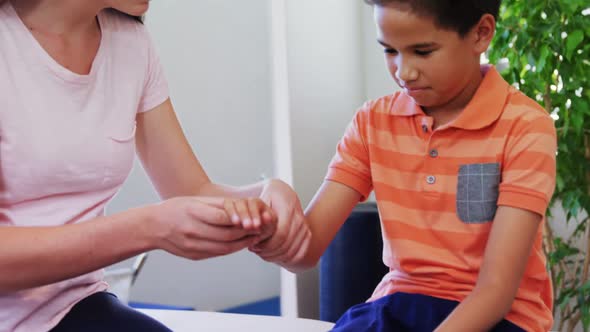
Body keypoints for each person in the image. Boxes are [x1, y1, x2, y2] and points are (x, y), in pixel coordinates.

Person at [0, 0, 311, 331]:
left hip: (71, 307)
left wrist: (264, 197)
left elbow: (193, 191)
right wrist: (147, 228)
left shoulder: (131, 43)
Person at [251, 0, 557, 331]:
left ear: (481, 34)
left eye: (422, 52)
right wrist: (265, 223)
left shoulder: (525, 126)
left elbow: (496, 290)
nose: (403, 71)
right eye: (389, 51)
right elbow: (305, 253)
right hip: (397, 304)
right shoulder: (372, 122)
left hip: (499, 316)